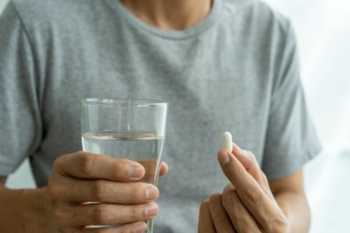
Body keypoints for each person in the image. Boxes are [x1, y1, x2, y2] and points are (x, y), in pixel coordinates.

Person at [0, 0, 321, 232]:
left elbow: (292, 194)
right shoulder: (37, 22)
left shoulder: (269, 34)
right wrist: (45, 214)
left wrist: (272, 225)